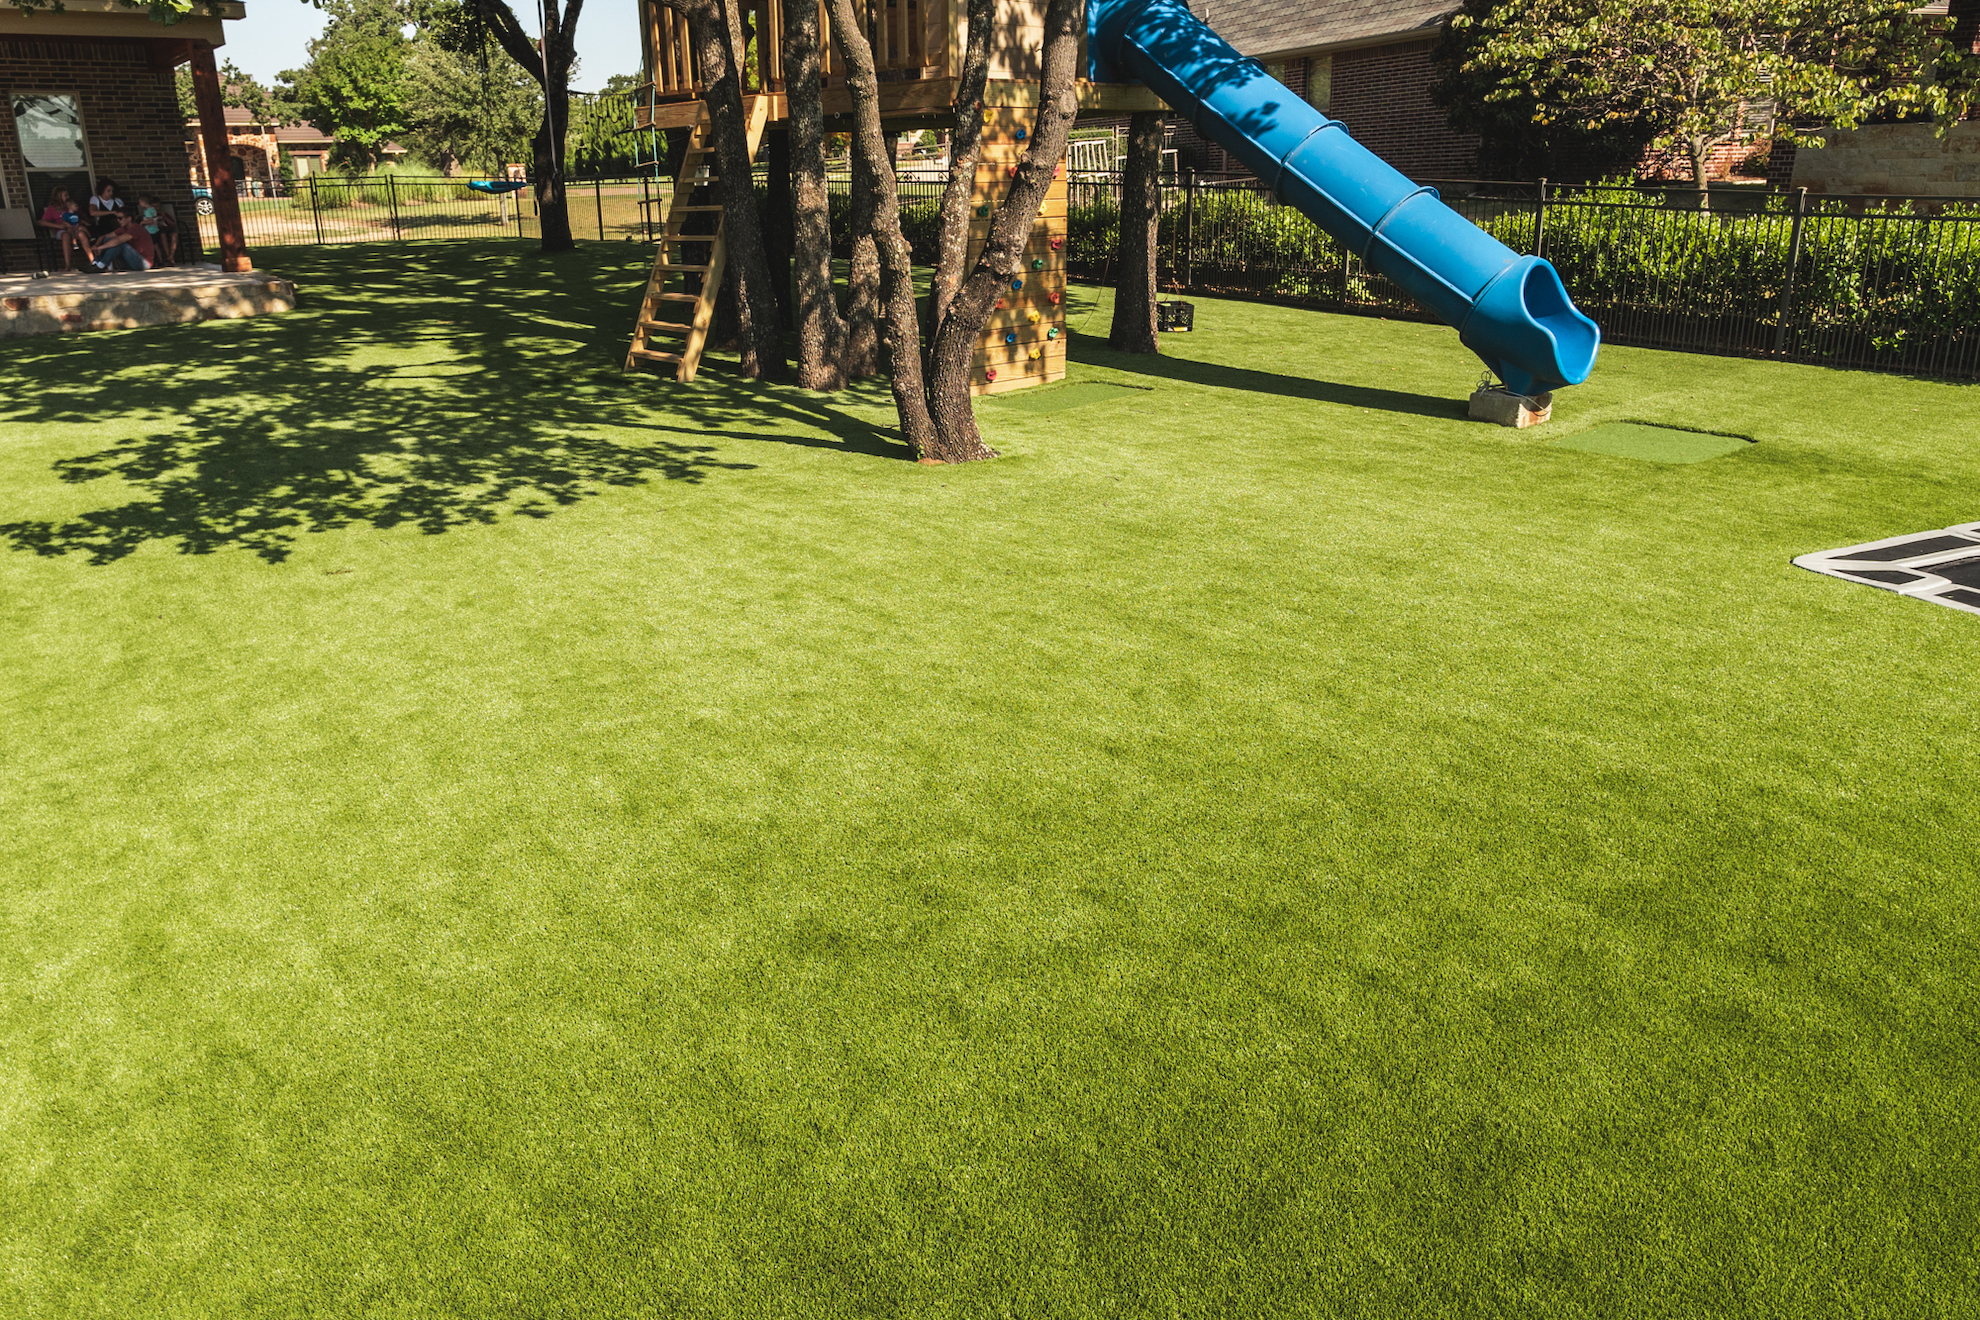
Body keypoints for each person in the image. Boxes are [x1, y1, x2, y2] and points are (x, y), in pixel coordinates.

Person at [36, 187, 95, 271]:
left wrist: (79, 224)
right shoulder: (52, 209)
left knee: (81, 234)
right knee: (66, 236)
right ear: (58, 196)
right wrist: (59, 226)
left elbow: (84, 219)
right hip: (62, 230)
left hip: (76, 228)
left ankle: (92, 261)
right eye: (65, 195)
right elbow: (42, 222)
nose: (68, 197)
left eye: (68, 195)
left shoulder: (73, 206)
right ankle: (67, 265)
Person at [89, 210, 154, 272]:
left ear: (129, 219)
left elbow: (118, 241)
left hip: (143, 263)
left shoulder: (136, 228)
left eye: (120, 218)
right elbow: (104, 236)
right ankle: (96, 263)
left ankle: (101, 265)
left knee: (120, 244)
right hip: (130, 261)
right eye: (117, 218)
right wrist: (96, 245)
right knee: (107, 240)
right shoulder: (123, 229)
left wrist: (100, 248)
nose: (118, 220)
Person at [135, 194, 177, 266]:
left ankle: (161, 260)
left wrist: (142, 222)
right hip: (156, 230)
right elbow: (150, 217)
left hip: (151, 231)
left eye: (140, 202)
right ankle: (163, 259)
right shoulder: (152, 210)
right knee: (157, 244)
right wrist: (141, 216)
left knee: (153, 246)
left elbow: (151, 221)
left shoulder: (149, 211)